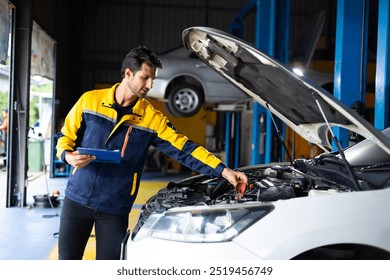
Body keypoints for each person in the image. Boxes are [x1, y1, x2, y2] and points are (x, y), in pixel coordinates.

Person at [56, 46, 248, 260]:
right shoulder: (89, 101)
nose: (149, 85)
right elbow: (65, 137)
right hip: (77, 200)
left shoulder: (151, 118)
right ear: (128, 73)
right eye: (145, 78)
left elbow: (185, 149)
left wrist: (223, 171)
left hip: (115, 208)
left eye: (153, 79)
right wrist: (67, 155)